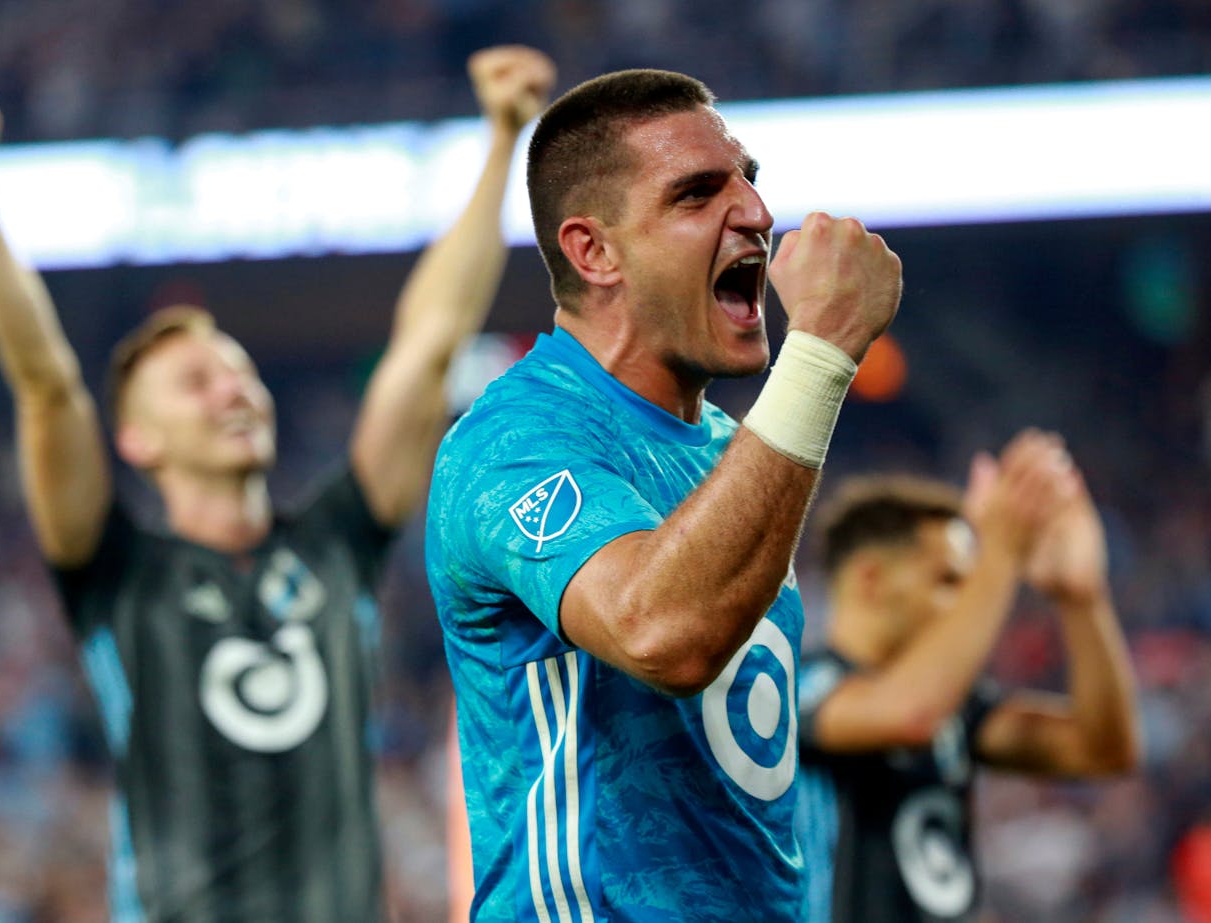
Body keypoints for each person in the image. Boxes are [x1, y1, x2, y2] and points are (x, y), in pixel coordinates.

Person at [0, 45, 556, 922]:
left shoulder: (340, 538)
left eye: (239, 370)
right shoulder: (118, 576)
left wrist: (502, 140)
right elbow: (45, 380)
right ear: (135, 439)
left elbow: (431, 339)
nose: (233, 389)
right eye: (195, 381)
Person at [425, 68, 902, 921]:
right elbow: (665, 633)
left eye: (749, 179)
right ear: (593, 251)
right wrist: (822, 349)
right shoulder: (512, 444)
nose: (755, 212)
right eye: (696, 194)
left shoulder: (730, 452)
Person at [794, 436, 1141, 923]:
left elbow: (1102, 749)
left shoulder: (954, 708)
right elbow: (910, 714)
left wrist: (1081, 599)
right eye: (948, 581)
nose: (965, 603)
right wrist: (999, 552)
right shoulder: (801, 686)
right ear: (870, 579)